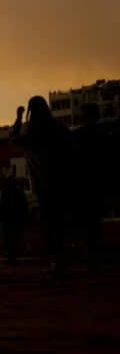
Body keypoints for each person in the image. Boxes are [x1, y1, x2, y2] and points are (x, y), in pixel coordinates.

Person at [11, 97, 72, 274]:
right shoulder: (59, 129)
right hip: (61, 183)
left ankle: (56, 261)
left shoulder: (31, 132)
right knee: (59, 223)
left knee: (49, 224)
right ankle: (62, 260)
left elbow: (14, 139)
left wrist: (18, 118)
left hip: (43, 186)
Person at [72, 103, 107, 268]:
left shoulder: (77, 136)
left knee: (86, 223)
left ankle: (89, 254)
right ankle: (93, 254)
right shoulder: (104, 134)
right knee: (94, 222)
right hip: (95, 184)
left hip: (82, 185)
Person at [0, 175, 28, 265]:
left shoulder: (6, 193)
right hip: (14, 220)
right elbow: (24, 206)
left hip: (10, 220)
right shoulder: (18, 193)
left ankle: (11, 256)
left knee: (10, 239)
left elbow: (2, 207)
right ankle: (12, 256)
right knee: (14, 239)